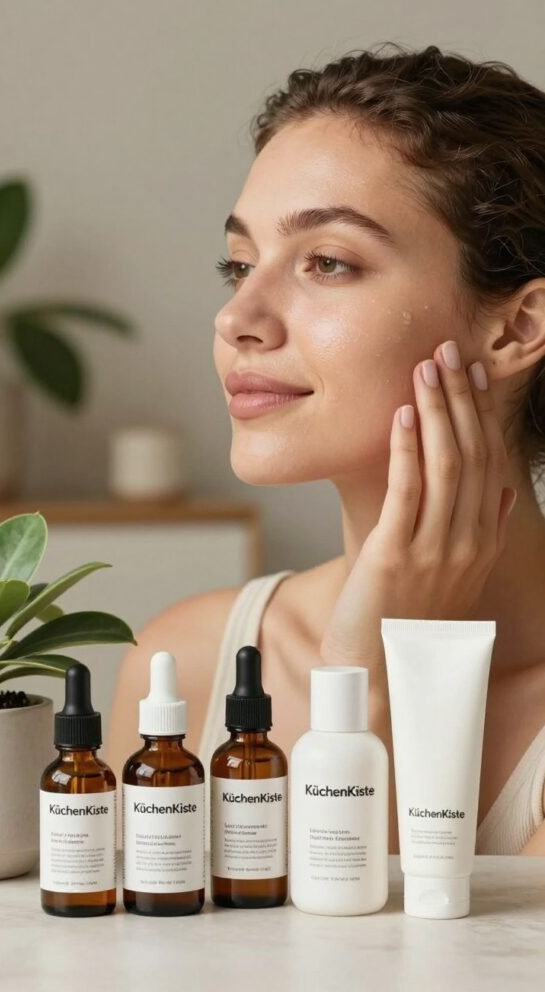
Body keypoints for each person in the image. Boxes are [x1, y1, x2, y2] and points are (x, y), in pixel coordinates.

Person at [106, 42, 545, 854]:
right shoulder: (187, 663)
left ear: (517, 326)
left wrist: (368, 684)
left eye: (328, 263)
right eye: (238, 264)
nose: (237, 317)